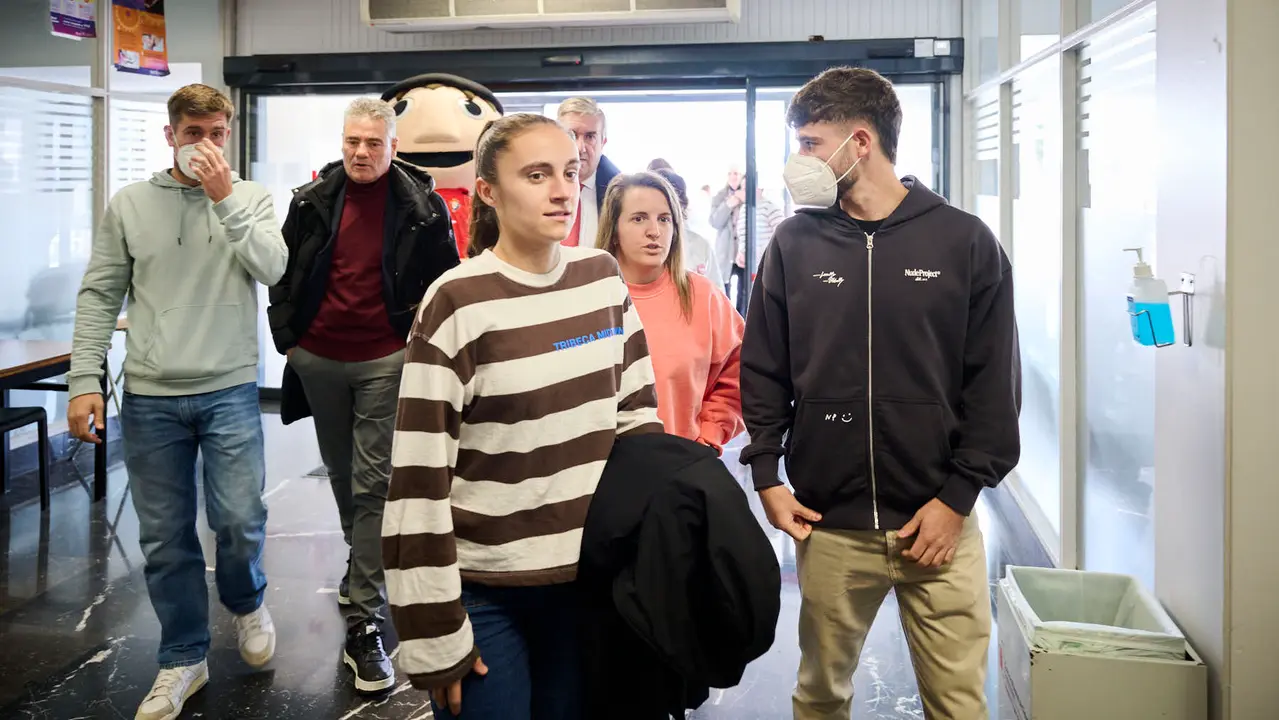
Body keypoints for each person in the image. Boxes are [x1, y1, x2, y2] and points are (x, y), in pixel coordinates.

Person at [738, 67, 1021, 720]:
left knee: (956, 706)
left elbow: (992, 389)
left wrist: (957, 498)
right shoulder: (793, 242)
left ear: (858, 142)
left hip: (937, 525)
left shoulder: (964, 242)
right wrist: (766, 475)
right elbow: (763, 369)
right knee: (818, 697)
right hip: (829, 525)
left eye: (809, 142)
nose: (798, 159)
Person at [382, 112, 664, 720]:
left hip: (587, 583)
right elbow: (417, 478)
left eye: (568, 171)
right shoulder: (457, 301)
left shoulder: (601, 281)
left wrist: (644, 563)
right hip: (486, 593)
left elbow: (637, 421)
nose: (563, 190)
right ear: (488, 190)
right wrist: (433, 632)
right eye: (537, 175)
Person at [65, 83, 287, 720]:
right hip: (152, 395)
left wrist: (225, 202)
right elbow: (100, 295)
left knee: (240, 522)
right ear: (170, 136)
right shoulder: (132, 204)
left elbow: (274, 269)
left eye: (218, 133)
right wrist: (84, 382)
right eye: (194, 134)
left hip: (230, 389)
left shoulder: (250, 197)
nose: (207, 146)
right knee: (164, 539)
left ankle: (246, 602)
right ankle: (183, 656)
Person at [268, 97, 460, 694]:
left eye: (373, 143)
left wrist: (419, 354)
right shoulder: (311, 201)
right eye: (352, 141)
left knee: (374, 482)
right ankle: (366, 574)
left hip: (385, 358)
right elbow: (283, 271)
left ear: (393, 147)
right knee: (345, 474)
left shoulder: (424, 208)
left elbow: (444, 286)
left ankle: (363, 619)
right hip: (319, 359)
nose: (360, 152)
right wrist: (289, 342)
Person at [596, 171, 743, 453]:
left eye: (664, 219)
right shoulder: (588, 296)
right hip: (597, 476)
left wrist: (710, 434)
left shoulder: (703, 296)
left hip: (679, 469)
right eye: (639, 218)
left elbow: (742, 373)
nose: (655, 231)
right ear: (614, 229)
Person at [556, 97, 621, 247]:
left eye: (590, 137)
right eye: (572, 135)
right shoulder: (534, 189)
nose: (580, 148)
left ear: (602, 142)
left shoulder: (621, 196)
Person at [650, 167, 726, 291]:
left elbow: (718, 297)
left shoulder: (700, 246)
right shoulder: (639, 248)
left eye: (665, 217)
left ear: (682, 206)